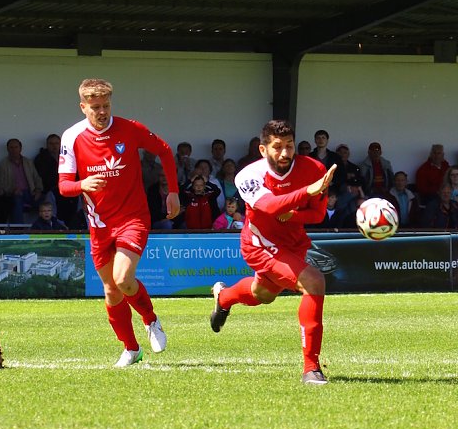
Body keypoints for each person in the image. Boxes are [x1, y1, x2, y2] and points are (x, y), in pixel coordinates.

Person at [59, 78, 180, 367]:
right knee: (112, 290)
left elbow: (164, 150)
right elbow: (64, 186)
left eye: (106, 105)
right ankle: (131, 348)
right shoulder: (72, 137)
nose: (102, 112)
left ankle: (151, 320)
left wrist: (173, 191)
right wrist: (83, 184)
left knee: (123, 278)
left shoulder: (129, 128)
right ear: (83, 107)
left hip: (133, 217)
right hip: (99, 224)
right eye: (95, 107)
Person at [209, 119, 335, 385]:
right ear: (263, 150)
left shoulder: (314, 169)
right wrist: (306, 192)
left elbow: (318, 213)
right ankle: (311, 368)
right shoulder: (248, 175)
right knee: (314, 281)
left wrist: (295, 212)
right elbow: (269, 207)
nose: (285, 153)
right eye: (277, 147)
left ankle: (225, 297)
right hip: (260, 243)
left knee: (263, 294)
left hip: (293, 243)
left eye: (289, 146)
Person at [0, 138, 48, 224]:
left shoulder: (28, 162)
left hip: (31, 193)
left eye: (16, 147)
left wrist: (38, 190)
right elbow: (0, 185)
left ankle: (47, 226)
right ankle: (18, 229)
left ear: (20, 148)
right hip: (15, 194)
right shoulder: (2, 165)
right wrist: (13, 190)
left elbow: (37, 178)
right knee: (17, 201)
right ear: (7, 149)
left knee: (47, 199)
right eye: (11, 147)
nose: (14, 150)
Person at [35, 133, 79, 227]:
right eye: (51, 143)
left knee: (77, 198)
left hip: (67, 188)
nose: (54, 146)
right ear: (47, 145)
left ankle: (74, 226)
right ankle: (56, 226)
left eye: (56, 143)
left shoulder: (68, 156)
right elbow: (42, 177)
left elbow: (75, 173)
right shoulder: (41, 158)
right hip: (50, 189)